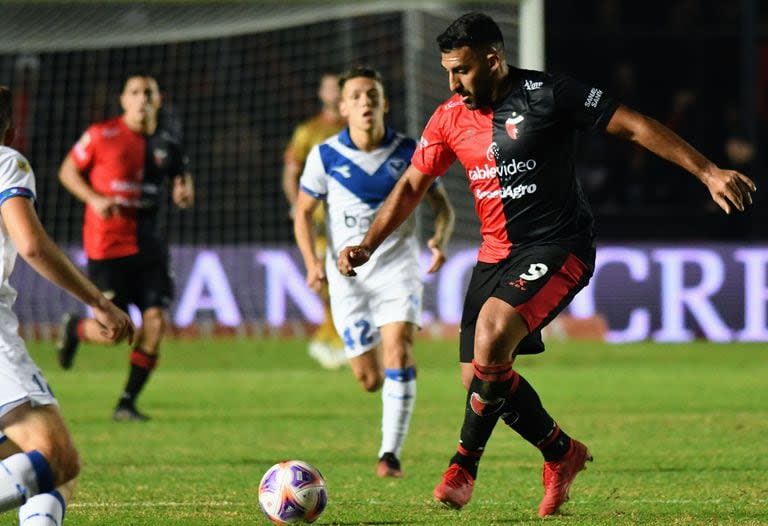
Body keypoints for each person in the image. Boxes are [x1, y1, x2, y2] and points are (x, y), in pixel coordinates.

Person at [337, 13, 756, 517]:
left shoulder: (550, 94)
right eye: (449, 71)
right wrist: (368, 244)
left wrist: (707, 172)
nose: (453, 83)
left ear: (493, 59)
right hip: (495, 255)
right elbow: (410, 186)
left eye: (463, 70)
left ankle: (462, 465)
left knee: (492, 335)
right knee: (479, 379)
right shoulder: (449, 116)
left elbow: (635, 126)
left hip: (559, 246)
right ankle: (561, 452)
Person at [295, 66, 455, 477]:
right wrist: (313, 265)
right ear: (343, 105)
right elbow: (302, 213)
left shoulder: (409, 151)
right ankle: (398, 380)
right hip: (348, 279)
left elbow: (443, 208)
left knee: (398, 347)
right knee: (369, 379)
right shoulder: (325, 155)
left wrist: (440, 237)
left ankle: (390, 455)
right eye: (357, 96)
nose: (365, 102)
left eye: (373, 95)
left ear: (385, 103)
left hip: (397, 269)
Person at [0, 85, 134, 523]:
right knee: (58, 458)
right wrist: (98, 301)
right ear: (9, 126)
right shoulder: (7, 163)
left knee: (39, 467)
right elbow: (32, 245)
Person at [56, 72, 194, 422]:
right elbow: (67, 171)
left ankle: (127, 402)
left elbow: (181, 176)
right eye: (135, 92)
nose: (142, 98)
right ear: (123, 100)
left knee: (156, 321)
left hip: (150, 248)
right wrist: (94, 198)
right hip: (108, 247)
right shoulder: (101, 135)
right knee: (113, 332)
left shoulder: (168, 143)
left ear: (158, 99)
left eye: (149, 92)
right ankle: (74, 328)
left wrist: (183, 190)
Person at [283, 73, 348, 369]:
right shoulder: (308, 131)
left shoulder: (358, 128)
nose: (334, 91)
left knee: (351, 279)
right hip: (320, 220)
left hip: (353, 218)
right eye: (329, 86)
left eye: (339, 86)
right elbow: (290, 173)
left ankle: (337, 337)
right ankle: (331, 336)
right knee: (324, 280)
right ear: (322, 93)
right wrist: (297, 206)